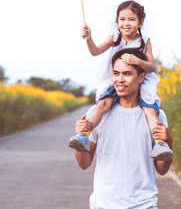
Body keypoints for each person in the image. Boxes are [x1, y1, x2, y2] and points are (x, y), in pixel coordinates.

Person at [69, 0, 172, 160]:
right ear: (117, 22)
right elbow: (95, 51)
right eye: (122, 19)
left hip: (141, 82)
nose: (126, 23)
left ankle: (160, 143)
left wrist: (137, 61)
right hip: (117, 81)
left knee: (151, 111)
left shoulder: (145, 41)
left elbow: (151, 66)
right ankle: (84, 135)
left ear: (140, 22)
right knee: (102, 105)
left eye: (132, 19)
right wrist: (89, 38)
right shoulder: (115, 38)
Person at [74, 48, 173, 209]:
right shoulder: (96, 114)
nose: (119, 79)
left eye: (127, 74)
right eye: (116, 73)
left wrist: (168, 141)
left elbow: (162, 169)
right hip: (102, 205)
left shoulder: (157, 116)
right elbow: (84, 163)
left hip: (144, 204)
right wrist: (81, 136)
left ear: (141, 77)